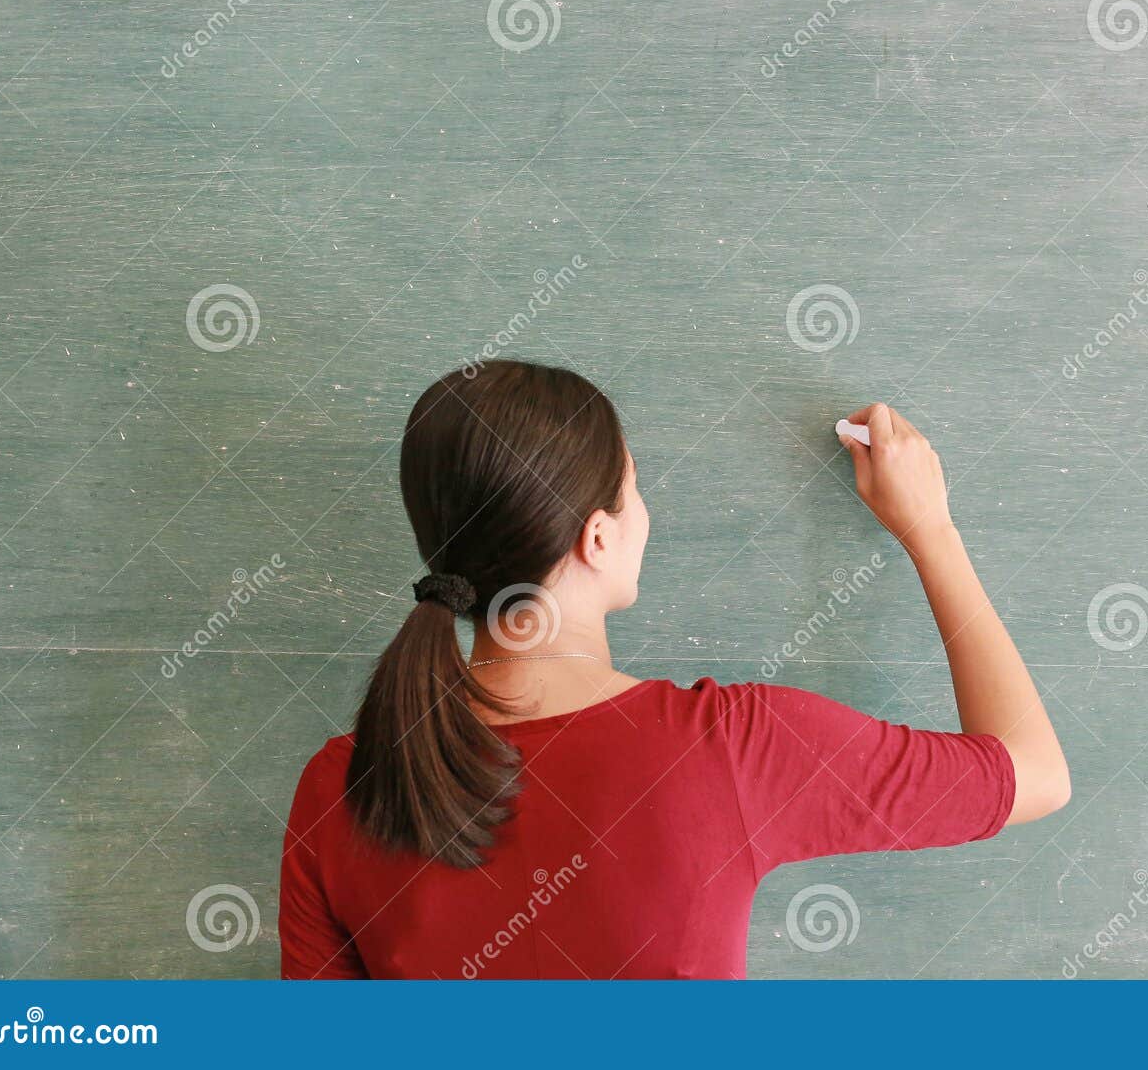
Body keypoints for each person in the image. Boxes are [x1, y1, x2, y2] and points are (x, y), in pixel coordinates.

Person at [280, 359, 1069, 978]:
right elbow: (1035, 772)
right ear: (595, 537)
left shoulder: (339, 786)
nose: (644, 512)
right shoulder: (729, 747)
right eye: (634, 488)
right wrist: (930, 528)